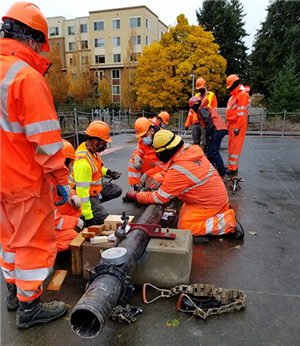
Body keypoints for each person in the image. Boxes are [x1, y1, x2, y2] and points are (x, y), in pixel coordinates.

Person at [0, 2, 71, 329]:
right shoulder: (25, 77)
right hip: (24, 181)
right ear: (32, 40)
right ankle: (29, 308)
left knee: (8, 241)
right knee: (31, 244)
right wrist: (60, 178)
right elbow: (45, 139)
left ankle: (14, 294)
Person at [128, 130, 243, 239]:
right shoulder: (188, 150)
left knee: (185, 226)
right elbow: (173, 165)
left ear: (166, 150)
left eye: (158, 152)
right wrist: (161, 176)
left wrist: (137, 196)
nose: (158, 155)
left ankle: (228, 223)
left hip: (209, 202)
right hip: (210, 196)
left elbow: (160, 198)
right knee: (183, 212)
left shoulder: (179, 170)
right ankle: (221, 210)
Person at [70, 121, 122, 227]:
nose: (106, 145)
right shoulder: (83, 163)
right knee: (104, 220)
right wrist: (89, 217)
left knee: (116, 190)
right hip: (84, 194)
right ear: (95, 142)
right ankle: (84, 213)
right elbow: (82, 194)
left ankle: (95, 206)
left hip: (93, 190)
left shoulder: (91, 150)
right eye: (104, 143)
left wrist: (108, 172)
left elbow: (96, 168)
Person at [52, 140, 84, 252]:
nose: (72, 168)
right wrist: (74, 222)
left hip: (40, 222)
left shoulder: (53, 175)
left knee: (74, 204)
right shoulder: (45, 183)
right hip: (33, 229)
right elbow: (51, 218)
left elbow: (65, 189)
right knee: (72, 236)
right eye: (71, 164)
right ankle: (39, 250)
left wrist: (72, 195)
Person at [189, 96, 228, 178]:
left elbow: (208, 123)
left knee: (214, 151)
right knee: (210, 151)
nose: (193, 110)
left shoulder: (202, 109)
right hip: (219, 128)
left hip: (218, 129)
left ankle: (222, 173)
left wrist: (208, 135)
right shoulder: (204, 108)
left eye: (192, 108)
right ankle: (210, 170)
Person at [128, 117, 163, 190]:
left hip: (164, 168)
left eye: (145, 135)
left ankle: (158, 190)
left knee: (157, 179)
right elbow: (139, 149)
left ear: (152, 130)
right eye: (142, 136)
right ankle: (137, 187)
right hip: (154, 165)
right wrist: (137, 156)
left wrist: (147, 174)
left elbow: (164, 166)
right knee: (132, 162)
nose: (143, 138)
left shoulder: (162, 139)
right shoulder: (143, 138)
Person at [225, 75, 250, 175]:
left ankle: (233, 168)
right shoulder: (234, 96)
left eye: (230, 86)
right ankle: (232, 166)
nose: (230, 88)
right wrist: (228, 124)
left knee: (235, 146)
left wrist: (238, 127)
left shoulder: (242, 95)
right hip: (233, 124)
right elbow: (231, 112)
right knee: (231, 146)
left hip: (238, 124)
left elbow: (242, 114)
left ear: (235, 84)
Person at [185, 78, 218, 149]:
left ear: (205, 86)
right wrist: (187, 124)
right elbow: (191, 111)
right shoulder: (196, 96)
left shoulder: (211, 95)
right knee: (195, 142)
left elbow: (215, 111)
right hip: (196, 122)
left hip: (205, 123)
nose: (200, 90)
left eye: (201, 88)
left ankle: (205, 157)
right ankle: (197, 157)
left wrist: (214, 124)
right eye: (199, 88)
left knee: (206, 142)